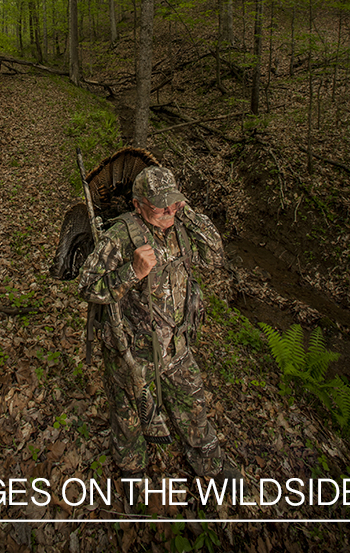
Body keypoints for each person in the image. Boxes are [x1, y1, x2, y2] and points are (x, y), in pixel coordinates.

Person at [78, 165, 239, 503]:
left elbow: (215, 255)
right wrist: (130, 272)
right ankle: (133, 470)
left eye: (174, 202)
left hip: (177, 347)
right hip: (133, 352)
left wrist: (185, 210)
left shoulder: (182, 226)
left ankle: (210, 463)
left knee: (193, 405)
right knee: (128, 416)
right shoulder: (121, 236)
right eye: (160, 205)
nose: (169, 211)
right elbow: (87, 286)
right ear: (138, 204)